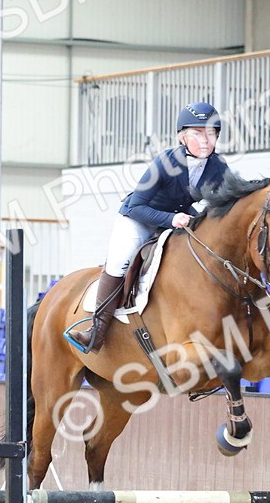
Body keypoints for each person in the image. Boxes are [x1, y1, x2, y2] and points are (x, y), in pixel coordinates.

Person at [68, 101, 234, 353]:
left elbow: (228, 202)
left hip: (179, 218)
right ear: (182, 136)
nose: (205, 140)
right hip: (138, 218)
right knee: (119, 261)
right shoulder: (165, 161)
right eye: (197, 133)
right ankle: (96, 330)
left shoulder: (218, 167)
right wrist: (171, 219)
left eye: (211, 133)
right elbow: (136, 206)